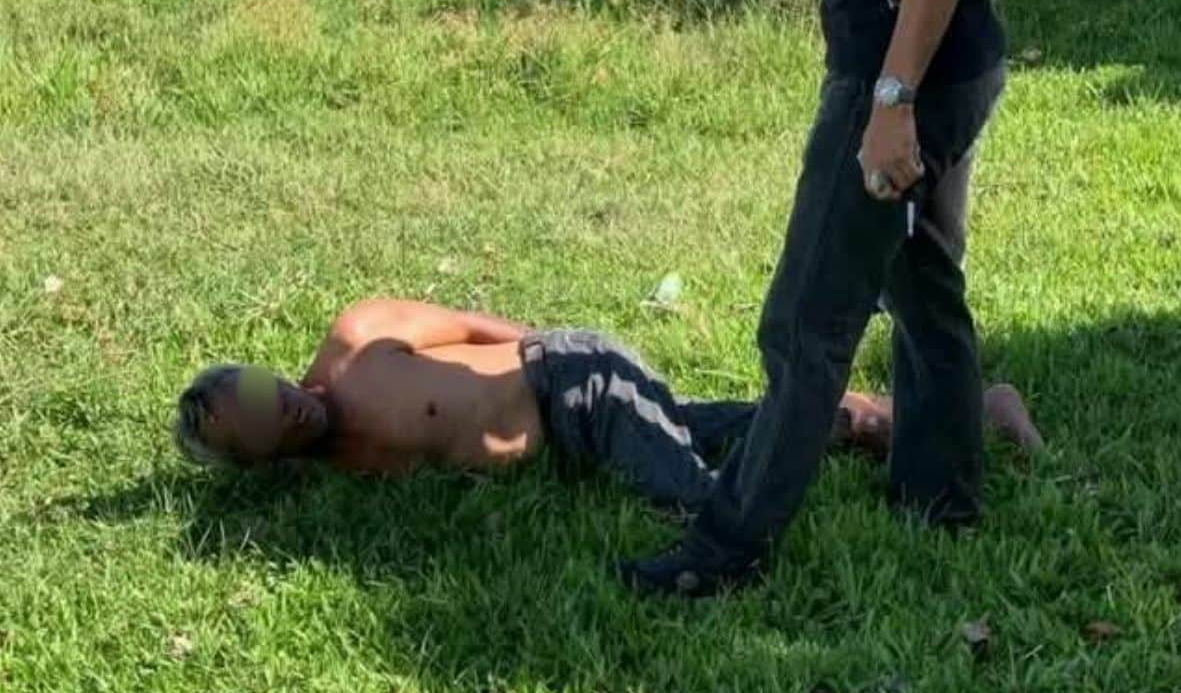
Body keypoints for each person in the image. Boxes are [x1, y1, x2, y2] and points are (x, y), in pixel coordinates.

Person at [619, 0, 1011, 596]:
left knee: (806, 326)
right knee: (920, 282)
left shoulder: (891, 94)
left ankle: (724, 552)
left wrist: (892, 99)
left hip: (898, 85)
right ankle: (940, 498)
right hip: (948, 65)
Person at [173, 299, 1041, 513]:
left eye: (267, 392)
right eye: (262, 426)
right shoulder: (339, 474)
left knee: (699, 502)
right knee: (737, 427)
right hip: (570, 440)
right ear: (259, 459)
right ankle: (970, 412)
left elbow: (472, 324)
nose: (284, 409)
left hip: (569, 381)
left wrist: (572, 351)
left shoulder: (357, 340)